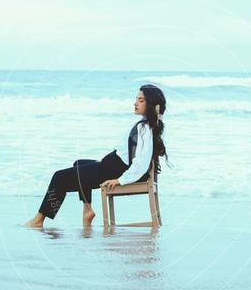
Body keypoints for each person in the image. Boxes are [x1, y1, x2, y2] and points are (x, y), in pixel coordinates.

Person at [25, 84, 168, 228]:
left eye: (141, 100)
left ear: (151, 105)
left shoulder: (143, 128)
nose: (135, 103)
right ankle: (87, 210)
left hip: (113, 170)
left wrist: (120, 180)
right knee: (79, 163)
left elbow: (141, 162)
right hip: (111, 165)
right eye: (136, 99)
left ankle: (39, 220)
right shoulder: (147, 125)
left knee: (59, 177)